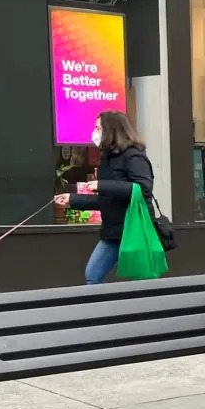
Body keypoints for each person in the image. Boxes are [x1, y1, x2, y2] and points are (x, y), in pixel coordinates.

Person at [53, 111, 154, 284]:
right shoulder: (107, 158)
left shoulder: (133, 156)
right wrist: (73, 199)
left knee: (140, 280)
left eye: (98, 128)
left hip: (134, 229)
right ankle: (100, 310)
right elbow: (107, 200)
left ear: (112, 130)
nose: (95, 132)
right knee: (93, 275)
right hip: (113, 231)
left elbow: (143, 188)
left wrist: (101, 185)